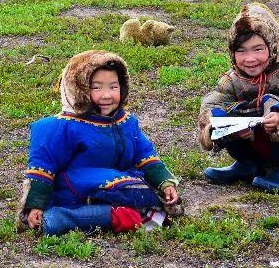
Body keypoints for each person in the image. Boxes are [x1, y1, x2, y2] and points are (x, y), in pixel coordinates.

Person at [16, 50, 182, 235]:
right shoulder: (63, 126)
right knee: (132, 204)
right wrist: (36, 204)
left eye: (113, 87)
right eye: (96, 87)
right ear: (77, 88)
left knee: (150, 202)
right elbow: (43, 164)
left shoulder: (126, 122)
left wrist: (165, 184)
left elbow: (144, 154)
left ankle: (121, 214)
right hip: (77, 190)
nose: (106, 95)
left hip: (115, 185)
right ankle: (59, 218)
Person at [198, 2, 279, 193]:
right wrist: (221, 123)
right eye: (241, 51)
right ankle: (248, 163)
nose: (250, 58)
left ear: (272, 45)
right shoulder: (234, 77)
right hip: (256, 141)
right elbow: (215, 100)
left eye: (258, 49)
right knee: (225, 115)